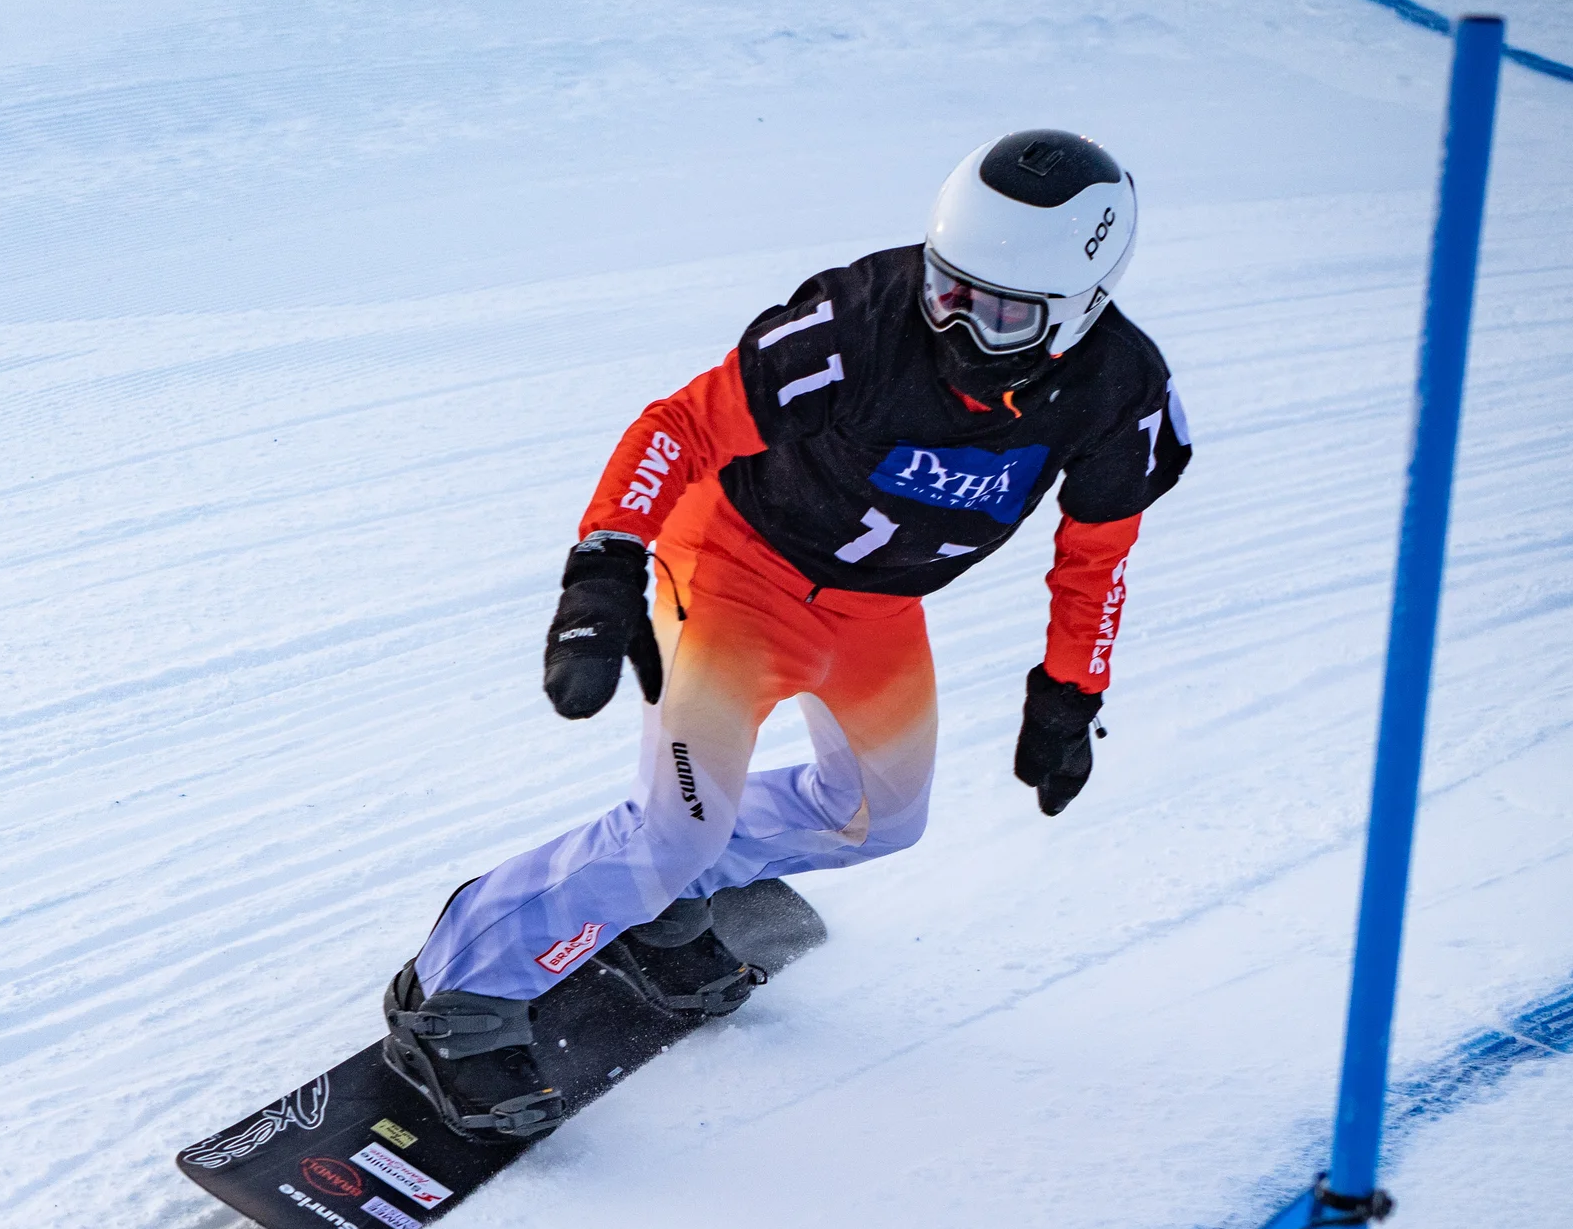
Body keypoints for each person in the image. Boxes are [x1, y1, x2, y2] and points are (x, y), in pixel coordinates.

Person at [383, 128, 1192, 1140]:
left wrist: (1070, 694)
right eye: (948, 285)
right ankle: (457, 983)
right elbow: (679, 426)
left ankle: (665, 897)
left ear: (1083, 307)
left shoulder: (1122, 395)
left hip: (874, 608)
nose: (954, 321)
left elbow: (1097, 554)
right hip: (731, 572)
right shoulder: (857, 324)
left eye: (997, 310)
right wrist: (603, 567)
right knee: (677, 824)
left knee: (877, 817)